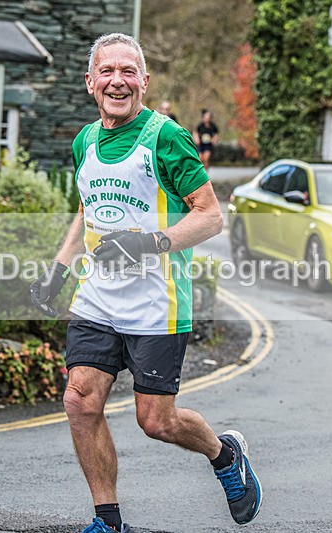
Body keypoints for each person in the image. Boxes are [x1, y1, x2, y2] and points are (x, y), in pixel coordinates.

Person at [30, 33, 262, 532]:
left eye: (128, 71)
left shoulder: (166, 137)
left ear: (144, 81)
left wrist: (148, 242)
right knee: (80, 399)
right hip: (98, 297)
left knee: (156, 421)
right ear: (91, 82)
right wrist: (62, 265)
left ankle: (225, 455)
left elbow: (211, 217)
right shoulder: (85, 142)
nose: (118, 81)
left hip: (157, 302)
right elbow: (88, 209)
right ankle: (107, 521)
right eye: (107, 72)